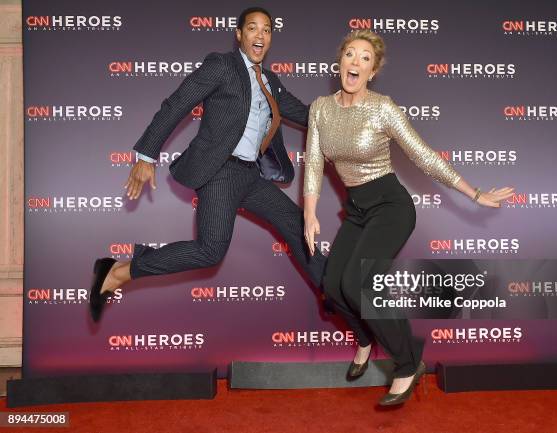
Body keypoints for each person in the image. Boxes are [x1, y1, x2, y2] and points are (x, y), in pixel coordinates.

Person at [303, 30, 514, 406]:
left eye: (364, 58)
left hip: (391, 206)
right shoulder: (321, 108)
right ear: (340, 62)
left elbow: (424, 156)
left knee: (358, 284)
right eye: (350, 54)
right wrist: (309, 214)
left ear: (373, 70)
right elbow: (315, 164)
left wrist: (475, 193)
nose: (354, 62)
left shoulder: (383, 108)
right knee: (333, 286)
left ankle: (406, 362)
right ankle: (366, 340)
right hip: (357, 209)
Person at [89, 7, 326, 322]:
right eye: (253, 28)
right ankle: (118, 272)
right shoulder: (222, 66)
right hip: (221, 172)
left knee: (298, 226)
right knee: (210, 251)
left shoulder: (270, 81)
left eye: (267, 30)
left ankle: (332, 290)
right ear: (239, 34)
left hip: (250, 176)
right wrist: (147, 155)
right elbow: (177, 104)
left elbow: (308, 115)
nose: (260, 35)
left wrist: (349, 116)